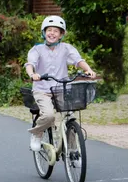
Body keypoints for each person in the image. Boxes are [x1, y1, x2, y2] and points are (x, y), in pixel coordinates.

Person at [25, 16, 96, 151]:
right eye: (49, 30)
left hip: (61, 89)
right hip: (42, 90)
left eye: (56, 31)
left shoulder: (66, 48)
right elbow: (30, 64)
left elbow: (78, 60)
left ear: (61, 34)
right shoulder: (37, 49)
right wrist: (32, 74)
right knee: (49, 116)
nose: (52, 33)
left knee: (71, 118)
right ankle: (37, 133)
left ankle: (73, 150)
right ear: (44, 32)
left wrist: (88, 69)